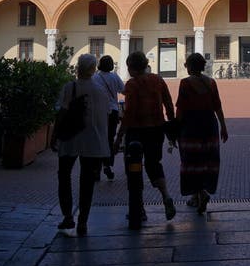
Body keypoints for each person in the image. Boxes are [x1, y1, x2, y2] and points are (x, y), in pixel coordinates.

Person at [113, 50, 177, 222]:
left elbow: (129, 114)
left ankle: (138, 207)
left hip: (136, 131)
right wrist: (171, 126)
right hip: (157, 128)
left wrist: (119, 138)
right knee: (153, 164)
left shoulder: (132, 85)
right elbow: (169, 103)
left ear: (132, 68)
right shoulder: (158, 80)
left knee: (132, 168)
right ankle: (166, 196)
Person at [54, 53, 109, 236]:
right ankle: (83, 221)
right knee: (87, 182)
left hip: (70, 137)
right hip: (92, 141)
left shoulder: (70, 87)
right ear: (94, 69)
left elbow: (62, 112)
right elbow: (104, 117)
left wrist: (55, 135)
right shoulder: (100, 90)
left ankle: (68, 216)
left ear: (78, 67)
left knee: (64, 176)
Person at [175, 52, 229, 214]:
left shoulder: (185, 83)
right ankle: (200, 194)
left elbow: (181, 107)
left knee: (191, 161)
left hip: (191, 126)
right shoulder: (211, 82)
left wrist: (177, 127)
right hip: (209, 124)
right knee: (207, 160)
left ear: (189, 66)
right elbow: (217, 106)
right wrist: (223, 126)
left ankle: (199, 194)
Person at [93, 54, 125, 180]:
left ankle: (97, 169)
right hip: (113, 111)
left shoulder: (95, 77)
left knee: (98, 139)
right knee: (109, 139)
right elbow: (123, 90)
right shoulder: (114, 77)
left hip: (99, 112)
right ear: (111, 65)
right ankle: (107, 165)